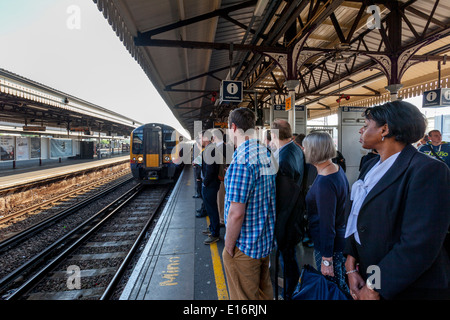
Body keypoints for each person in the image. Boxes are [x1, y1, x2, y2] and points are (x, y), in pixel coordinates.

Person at [344, 101, 450, 300]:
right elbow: (359, 216)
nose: (361, 130)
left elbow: (419, 243)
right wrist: (351, 264)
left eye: (366, 125)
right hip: (370, 270)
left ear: (385, 129)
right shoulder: (371, 165)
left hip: (405, 285)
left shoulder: (427, 170)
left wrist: (374, 286)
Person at [222, 107, 277, 300]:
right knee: (263, 294)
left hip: (244, 246)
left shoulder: (242, 160)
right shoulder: (265, 152)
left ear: (233, 127)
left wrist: (229, 247)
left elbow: (236, 213)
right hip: (263, 243)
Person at [303, 131, 350, 293]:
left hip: (329, 247)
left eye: (306, 147)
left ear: (315, 150)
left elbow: (326, 223)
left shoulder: (325, 182)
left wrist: (326, 259)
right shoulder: (334, 168)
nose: (303, 150)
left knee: (334, 289)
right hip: (336, 241)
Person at [271, 119, 305, 299]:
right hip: (295, 216)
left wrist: (279, 229)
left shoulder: (283, 159)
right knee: (290, 257)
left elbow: (283, 201)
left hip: (287, 221)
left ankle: (290, 293)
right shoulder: (295, 150)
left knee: (288, 259)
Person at [200, 131, 221, 244]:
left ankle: (215, 234)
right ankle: (212, 227)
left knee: (212, 208)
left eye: (201, 138)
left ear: (206, 138)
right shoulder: (210, 148)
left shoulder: (210, 149)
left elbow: (210, 170)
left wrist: (205, 183)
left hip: (210, 184)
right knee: (210, 208)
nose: (200, 140)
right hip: (211, 183)